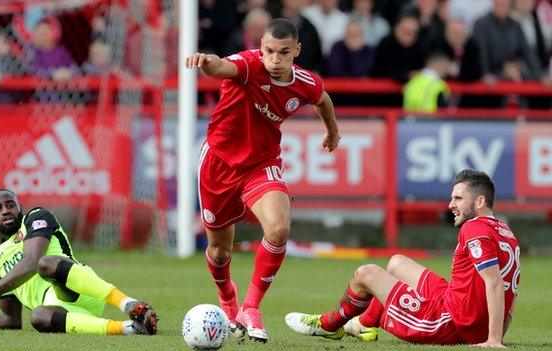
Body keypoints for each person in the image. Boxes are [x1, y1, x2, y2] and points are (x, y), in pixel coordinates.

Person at [185, 18, 340, 343]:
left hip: (261, 164)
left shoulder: (305, 83)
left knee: (279, 228)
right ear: (261, 47)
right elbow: (221, 66)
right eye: (269, 51)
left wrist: (332, 130)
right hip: (219, 164)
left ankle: (251, 308)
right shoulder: (248, 65)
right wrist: (205, 62)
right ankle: (228, 299)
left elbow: (322, 99)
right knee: (219, 251)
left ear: (296, 51)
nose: (275, 60)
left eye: (284, 53)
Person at [285, 169, 521, 347]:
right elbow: (512, 289)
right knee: (396, 262)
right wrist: (501, 329)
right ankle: (366, 324)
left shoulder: (474, 229)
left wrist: (493, 339)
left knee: (366, 273)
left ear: (480, 202)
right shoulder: (506, 232)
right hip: (459, 305)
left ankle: (330, 325)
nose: (450, 205)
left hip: (451, 322)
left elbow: (494, 282)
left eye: (458, 199)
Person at [0, 189, 158, 336]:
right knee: (37, 317)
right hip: (62, 311)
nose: (5, 210)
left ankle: (127, 304)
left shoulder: (36, 217)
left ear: (20, 207)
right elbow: (11, 321)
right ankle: (130, 329)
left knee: (45, 263)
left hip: (78, 289)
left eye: (10, 205)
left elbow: (32, 262)